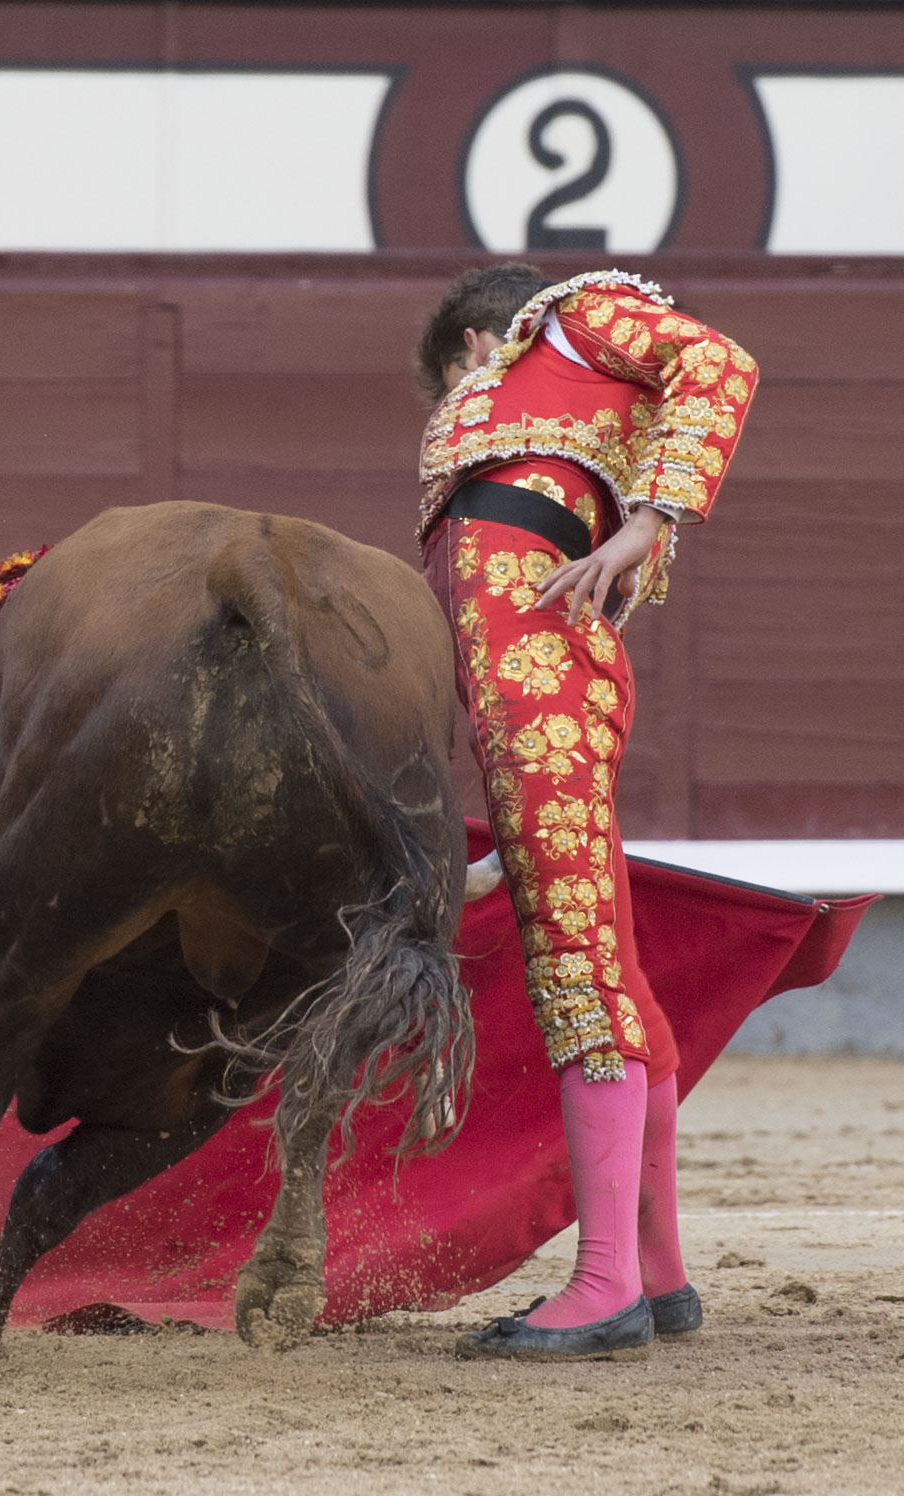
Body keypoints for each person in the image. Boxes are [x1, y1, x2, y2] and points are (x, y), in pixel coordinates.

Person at [414, 263, 758, 1358]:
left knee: (577, 958)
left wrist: (650, 521)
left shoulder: (564, 319)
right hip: (528, 688)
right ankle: (654, 1272)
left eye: (450, 384)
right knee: (601, 956)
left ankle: (605, 1281)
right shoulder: (545, 395)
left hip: (544, 683)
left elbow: (715, 360)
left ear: (477, 345)